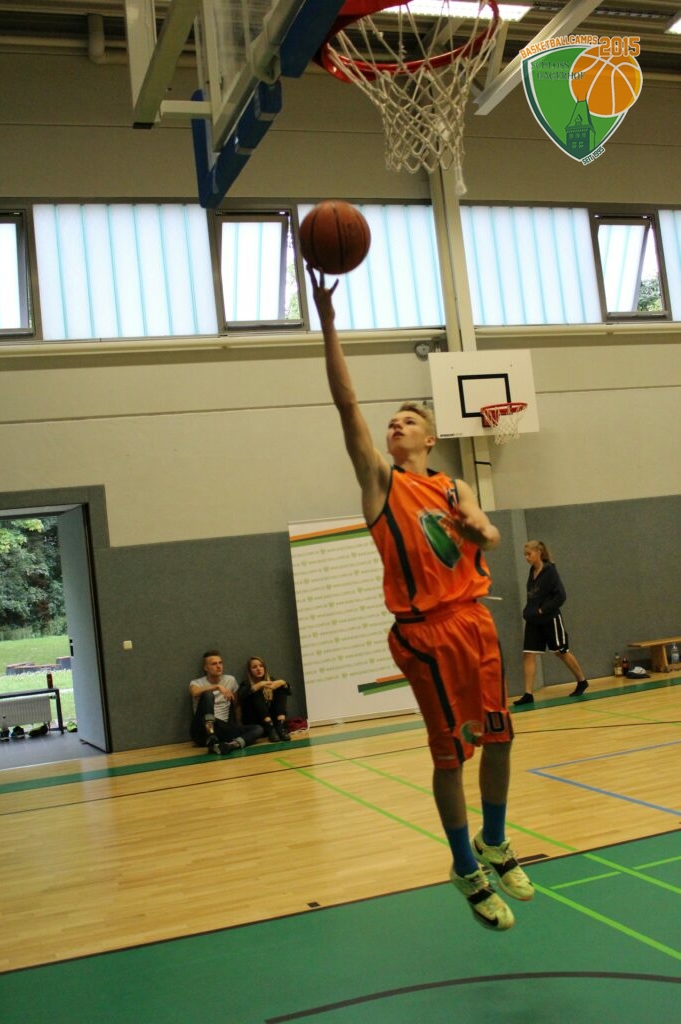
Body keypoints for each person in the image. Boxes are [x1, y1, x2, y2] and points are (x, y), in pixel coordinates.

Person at [308, 266, 533, 932]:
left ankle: (495, 841)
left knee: (500, 736)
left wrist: (480, 530)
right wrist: (327, 323)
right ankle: (463, 866)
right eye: (391, 422)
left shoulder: (452, 485)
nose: (394, 425)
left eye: (407, 420)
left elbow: (488, 530)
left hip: (474, 621)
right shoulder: (380, 483)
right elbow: (345, 405)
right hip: (423, 634)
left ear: (430, 437)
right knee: (450, 754)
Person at [514, 540, 589, 706]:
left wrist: (543, 610)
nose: (526, 557)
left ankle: (582, 680)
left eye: (529, 554)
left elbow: (561, 596)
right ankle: (528, 693)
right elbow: (534, 596)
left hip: (550, 619)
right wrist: (529, 610)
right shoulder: (532, 572)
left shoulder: (550, 571)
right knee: (528, 654)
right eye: (525, 555)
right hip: (534, 620)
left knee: (561, 651)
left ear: (538, 553)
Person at [189, 650, 264, 755]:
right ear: (206, 668)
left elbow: (236, 704)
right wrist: (217, 687)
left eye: (220, 663)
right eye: (214, 664)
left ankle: (230, 746)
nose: (218, 666)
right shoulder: (197, 682)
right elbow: (194, 692)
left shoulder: (230, 680)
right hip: (201, 730)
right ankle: (211, 736)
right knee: (208, 695)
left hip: (222, 729)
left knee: (258, 729)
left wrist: (238, 724)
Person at [239, 656, 292, 742]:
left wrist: (283, 682)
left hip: (274, 721)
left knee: (280, 687)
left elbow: (289, 692)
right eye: (254, 667)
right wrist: (258, 685)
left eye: (261, 666)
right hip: (257, 723)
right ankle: (270, 728)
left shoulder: (270, 680)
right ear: (250, 671)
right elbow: (241, 695)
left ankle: (280, 726)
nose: (258, 669)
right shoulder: (246, 684)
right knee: (255, 691)